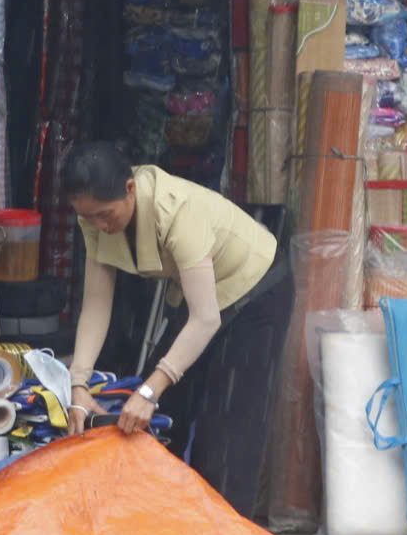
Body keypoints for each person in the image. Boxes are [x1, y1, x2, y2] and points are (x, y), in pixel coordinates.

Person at [61, 142, 284, 453]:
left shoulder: (176, 209)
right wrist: (78, 384)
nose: (100, 226)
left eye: (105, 215)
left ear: (129, 189)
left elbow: (205, 319)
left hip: (257, 287)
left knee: (226, 430)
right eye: (89, 218)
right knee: (163, 413)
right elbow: (97, 305)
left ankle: (220, 500)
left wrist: (150, 392)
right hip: (204, 293)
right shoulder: (95, 219)